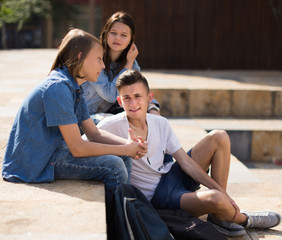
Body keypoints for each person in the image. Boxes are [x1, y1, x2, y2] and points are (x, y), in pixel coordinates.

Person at [96, 69, 281, 237]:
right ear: (119, 101)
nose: (133, 103)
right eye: (126, 98)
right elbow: (85, 142)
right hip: (158, 198)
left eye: (138, 96)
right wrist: (123, 147)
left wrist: (219, 190)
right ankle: (242, 218)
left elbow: (185, 162)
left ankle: (221, 215)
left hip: (171, 176)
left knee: (219, 136)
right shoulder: (112, 126)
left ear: (149, 98)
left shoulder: (160, 123)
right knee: (216, 198)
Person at [2, 29, 147, 193]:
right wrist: (124, 149)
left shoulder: (74, 87)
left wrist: (129, 145)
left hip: (52, 149)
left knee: (123, 157)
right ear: (80, 57)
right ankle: (119, 216)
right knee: (114, 165)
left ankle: (125, 210)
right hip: (35, 161)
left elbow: (94, 133)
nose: (103, 65)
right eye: (99, 59)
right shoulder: (58, 87)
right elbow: (77, 147)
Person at [81, 11, 160, 125]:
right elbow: (111, 95)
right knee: (116, 122)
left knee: (145, 119)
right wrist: (128, 64)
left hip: (109, 113)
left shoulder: (130, 61)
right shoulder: (95, 57)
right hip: (86, 117)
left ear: (131, 40)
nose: (117, 38)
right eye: (113, 33)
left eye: (123, 35)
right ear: (106, 34)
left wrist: (153, 108)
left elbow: (140, 89)